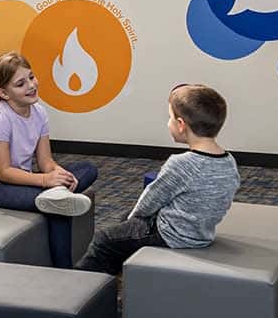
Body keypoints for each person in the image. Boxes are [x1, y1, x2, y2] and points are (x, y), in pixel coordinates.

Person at [76, 84, 239, 274]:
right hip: (201, 233)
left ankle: (82, 288)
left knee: (103, 240)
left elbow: (151, 200)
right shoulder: (229, 160)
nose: (168, 123)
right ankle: (123, 276)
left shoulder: (181, 163)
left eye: (169, 118)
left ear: (181, 125)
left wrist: (133, 219)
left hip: (169, 234)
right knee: (123, 224)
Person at [0, 52, 99, 268]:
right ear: (3, 93)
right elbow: (3, 172)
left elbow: (45, 161)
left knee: (88, 169)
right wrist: (44, 181)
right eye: (21, 84)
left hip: (24, 178)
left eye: (31, 77)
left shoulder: (39, 112)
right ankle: (64, 271)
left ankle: (58, 193)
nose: (31, 85)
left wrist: (58, 174)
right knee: (58, 207)